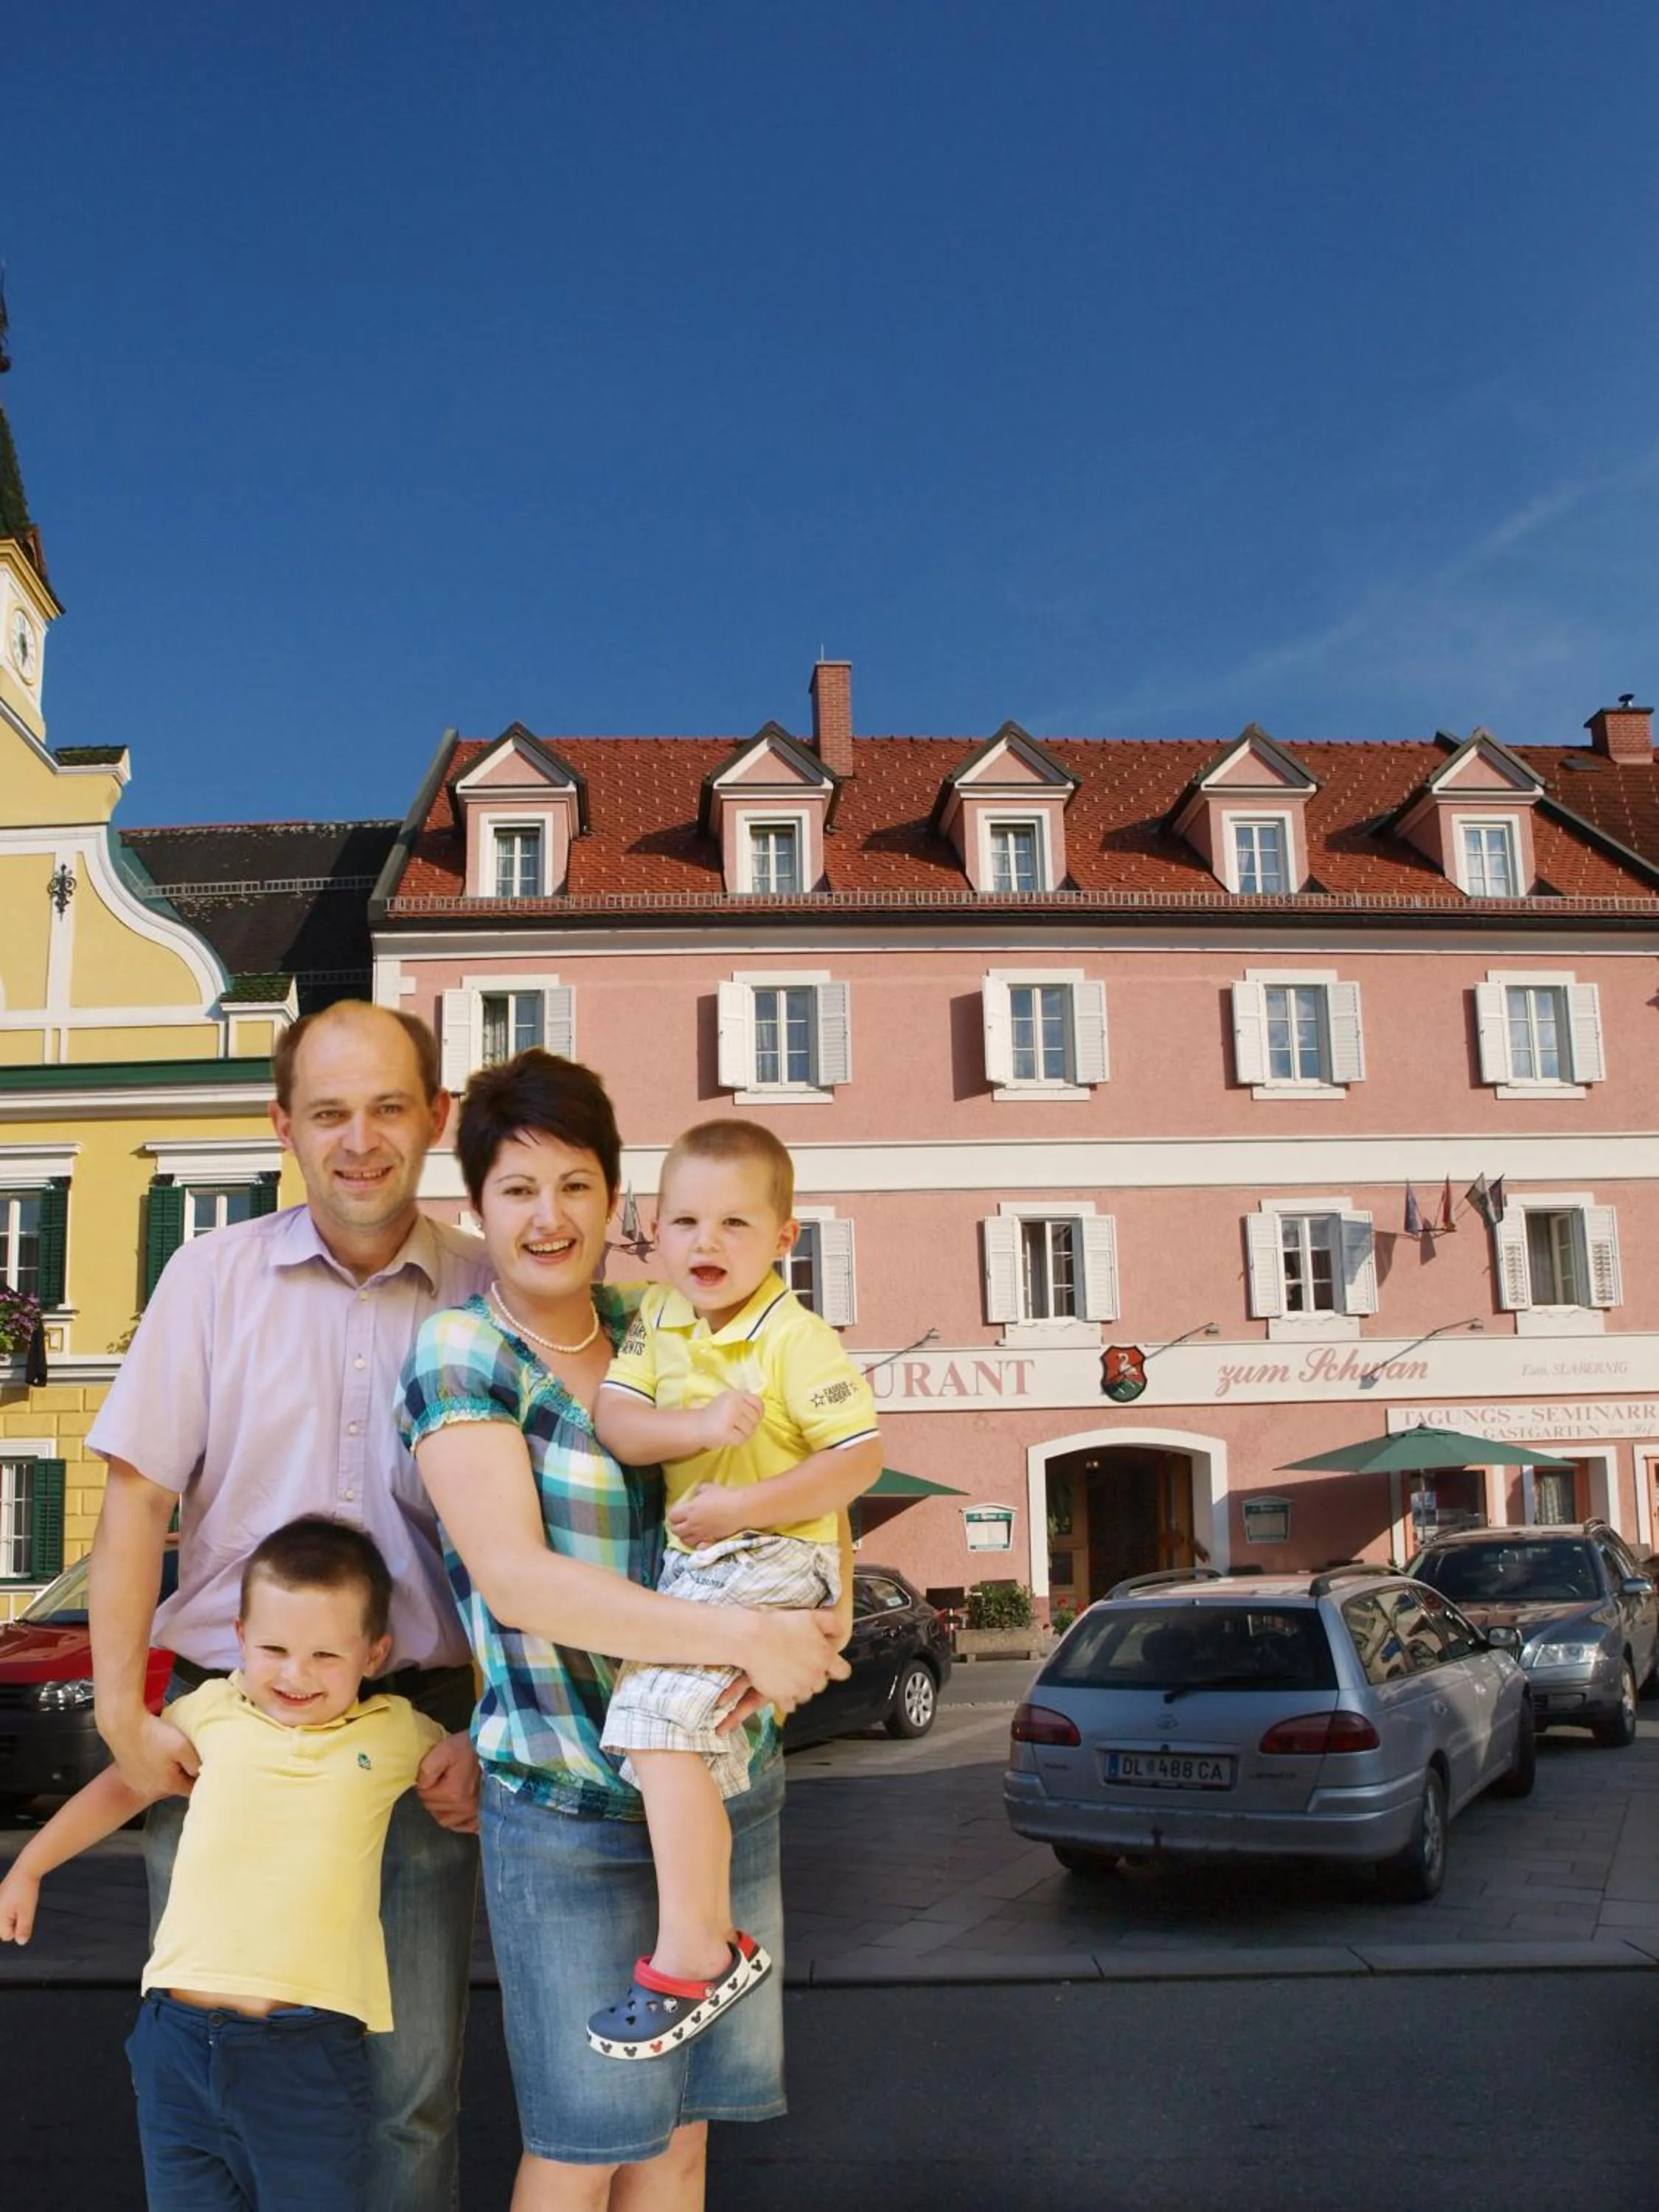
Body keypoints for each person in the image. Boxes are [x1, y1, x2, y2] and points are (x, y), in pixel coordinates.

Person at [398, 1051, 849, 2212]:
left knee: (682, 2143)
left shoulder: (666, 1324)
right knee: (582, 2140)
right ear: (478, 1207)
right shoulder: (463, 1353)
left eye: (576, 1186)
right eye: (516, 1189)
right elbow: (516, 1583)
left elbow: (801, 1465)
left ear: (617, 1203)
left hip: (724, 1789)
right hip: (566, 1803)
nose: (548, 1218)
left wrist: (821, 1604)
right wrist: (747, 1638)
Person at [84, 1001, 490, 2212]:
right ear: (283, 1125)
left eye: (385, 1108)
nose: (357, 1140)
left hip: (426, 1742)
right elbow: (133, 1506)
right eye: (327, 1113)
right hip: (229, 1738)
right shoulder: (208, 1278)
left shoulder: (487, 1285)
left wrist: (494, 1728)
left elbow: (548, 1535)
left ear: (437, 1120)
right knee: (222, 2082)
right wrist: (120, 1712)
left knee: (410, 2087)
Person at [1, 1519, 446, 2212]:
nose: (295, 1675)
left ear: (374, 1652)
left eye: (326, 1654)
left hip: (306, 2053)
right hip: (174, 2040)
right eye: (273, 1648)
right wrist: (31, 1865)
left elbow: (477, 1763)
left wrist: (473, 1757)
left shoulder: (394, 1731)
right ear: (240, 1639)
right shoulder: (210, 1711)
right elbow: (123, 1785)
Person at [586, 1119, 880, 2059]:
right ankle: (713, 1941)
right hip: (706, 1564)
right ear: (655, 1233)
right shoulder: (658, 1318)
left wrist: (741, 1502)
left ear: (785, 1238)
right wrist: (701, 1422)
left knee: (654, 1721)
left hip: (771, 1555)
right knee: (679, 1749)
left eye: (734, 1225)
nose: (705, 1244)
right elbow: (620, 1423)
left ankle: (693, 1955)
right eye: (683, 1223)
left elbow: (858, 1461)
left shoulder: (797, 1338)